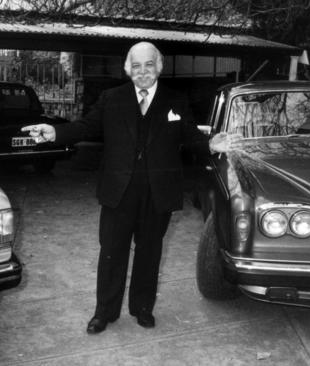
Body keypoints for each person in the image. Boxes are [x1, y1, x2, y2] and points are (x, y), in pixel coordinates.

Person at [22, 41, 236, 334]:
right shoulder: (112, 98)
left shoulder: (176, 99)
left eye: (149, 65)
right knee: (112, 252)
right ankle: (104, 313)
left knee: (150, 253)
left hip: (157, 192)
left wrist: (210, 143)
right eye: (136, 66)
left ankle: (142, 308)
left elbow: (187, 135)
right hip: (118, 191)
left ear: (158, 67)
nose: (143, 71)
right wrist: (55, 132)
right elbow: (85, 127)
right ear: (128, 69)